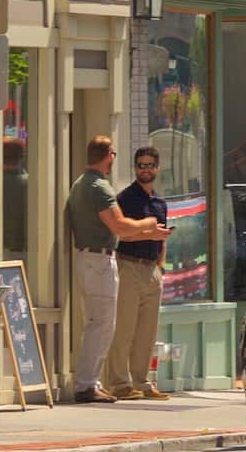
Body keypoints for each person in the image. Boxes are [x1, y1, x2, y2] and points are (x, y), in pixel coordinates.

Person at [67, 136, 170, 404]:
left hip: (93, 259)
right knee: (104, 325)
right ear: (109, 156)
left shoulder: (82, 184)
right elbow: (121, 228)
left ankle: (91, 382)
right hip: (99, 261)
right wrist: (148, 224)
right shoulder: (100, 187)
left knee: (98, 324)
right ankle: (88, 385)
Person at [108, 147, 174, 401]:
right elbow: (123, 233)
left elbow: (163, 236)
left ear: (157, 169)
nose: (145, 170)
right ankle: (119, 383)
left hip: (152, 269)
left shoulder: (160, 203)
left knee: (147, 331)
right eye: (140, 165)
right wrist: (150, 233)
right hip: (129, 266)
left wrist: (161, 266)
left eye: (149, 165)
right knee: (124, 328)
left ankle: (141, 381)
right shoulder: (125, 199)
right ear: (135, 168)